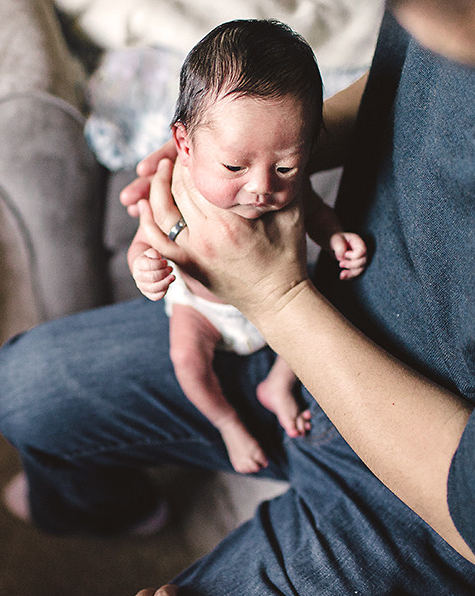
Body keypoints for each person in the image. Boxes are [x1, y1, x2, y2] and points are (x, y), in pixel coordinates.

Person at [0, 0, 475, 596]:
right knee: (20, 386)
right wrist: (268, 150)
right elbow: (401, 85)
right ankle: (118, 507)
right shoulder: (452, 23)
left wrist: (276, 295)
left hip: (422, 500)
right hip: (324, 323)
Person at [127, 19, 368, 474]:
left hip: (285, 305)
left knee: (325, 320)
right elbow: (144, 243)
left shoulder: (288, 192)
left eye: (285, 167)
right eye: (235, 166)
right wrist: (145, 267)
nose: (261, 187)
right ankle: (227, 423)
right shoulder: (174, 193)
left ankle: (277, 386)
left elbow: (317, 213)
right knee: (186, 361)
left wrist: (336, 236)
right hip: (203, 311)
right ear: (184, 144)